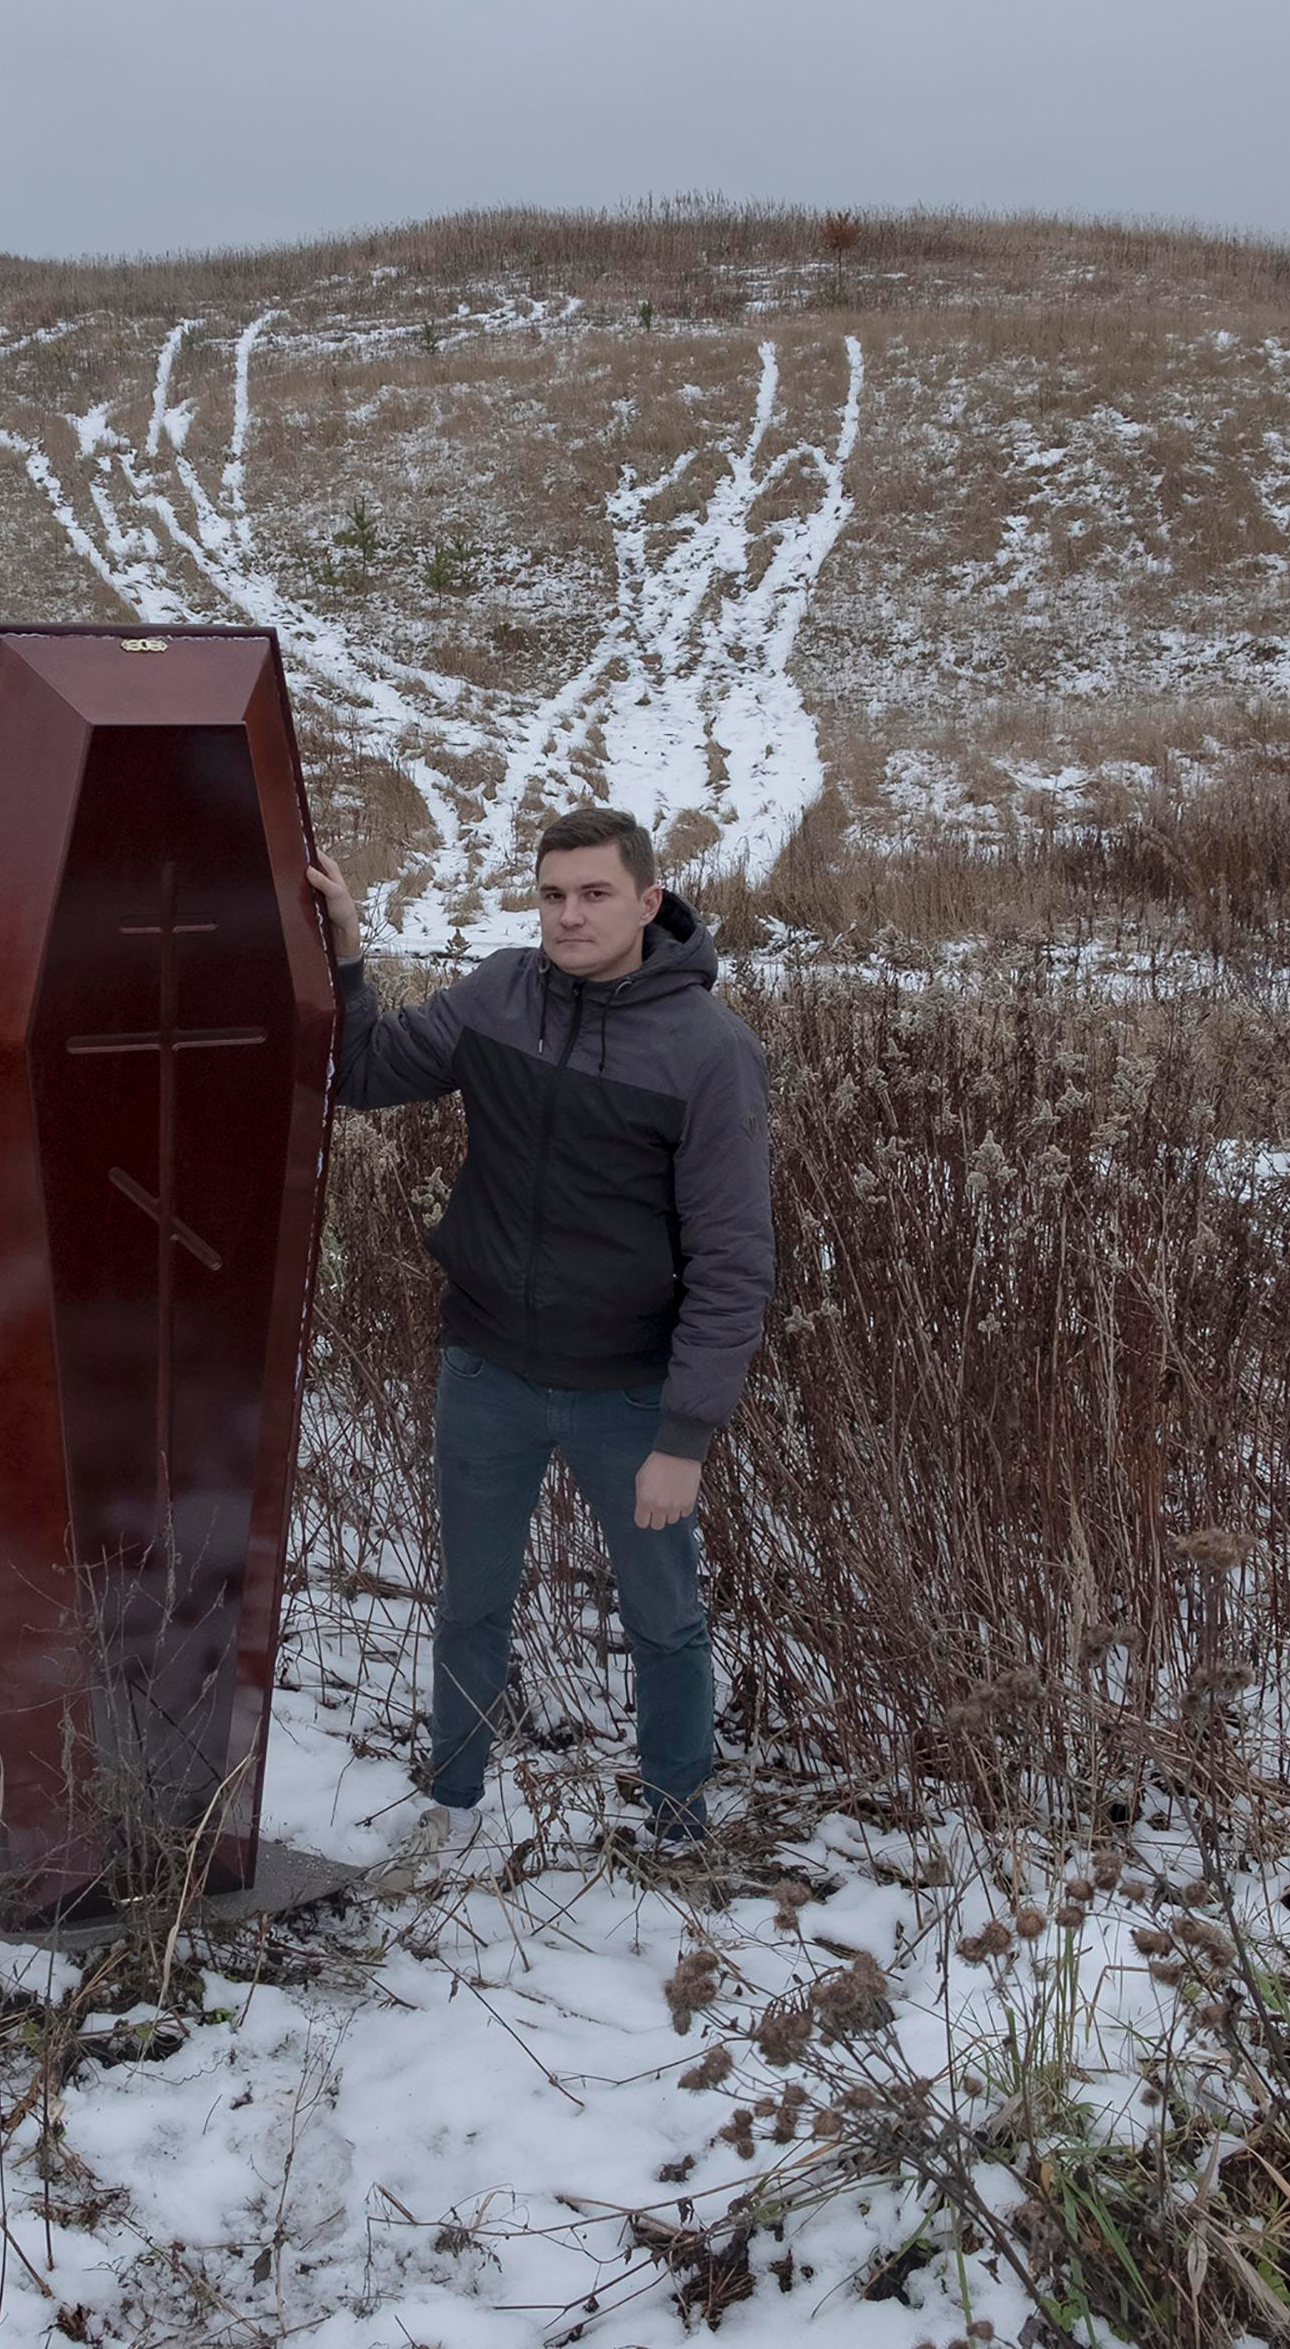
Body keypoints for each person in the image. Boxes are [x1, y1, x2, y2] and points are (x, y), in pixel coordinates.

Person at [306, 808, 776, 1886]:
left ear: (649, 902)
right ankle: (455, 1804)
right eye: (553, 893)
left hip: (629, 1398)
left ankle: (678, 1825)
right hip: (489, 1373)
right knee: (471, 1603)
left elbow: (735, 1260)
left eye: (595, 893)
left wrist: (685, 1435)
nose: (569, 914)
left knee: (663, 1617)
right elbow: (367, 1072)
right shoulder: (502, 993)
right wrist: (345, 944)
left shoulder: (709, 1052)